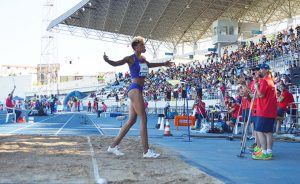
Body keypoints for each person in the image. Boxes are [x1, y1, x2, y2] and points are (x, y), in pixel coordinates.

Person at [104, 36, 174, 158]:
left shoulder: (143, 60)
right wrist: (107, 60)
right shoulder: (130, 59)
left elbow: (150, 65)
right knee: (144, 118)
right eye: (142, 45)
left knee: (132, 120)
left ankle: (113, 146)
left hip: (138, 90)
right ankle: (146, 151)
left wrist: (164, 63)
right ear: (136, 47)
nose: (144, 46)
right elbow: (116, 63)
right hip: (135, 88)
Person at [252, 64, 277, 160]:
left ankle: (264, 151)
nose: (259, 71)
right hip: (270, 110)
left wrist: (257, 87)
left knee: (259, 130)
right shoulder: (271, 81)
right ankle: (268, 151)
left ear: (266, 70)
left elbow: (261, 95)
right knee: (268, 132)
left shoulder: (264, 81)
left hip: (264, 110)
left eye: (261, 69)